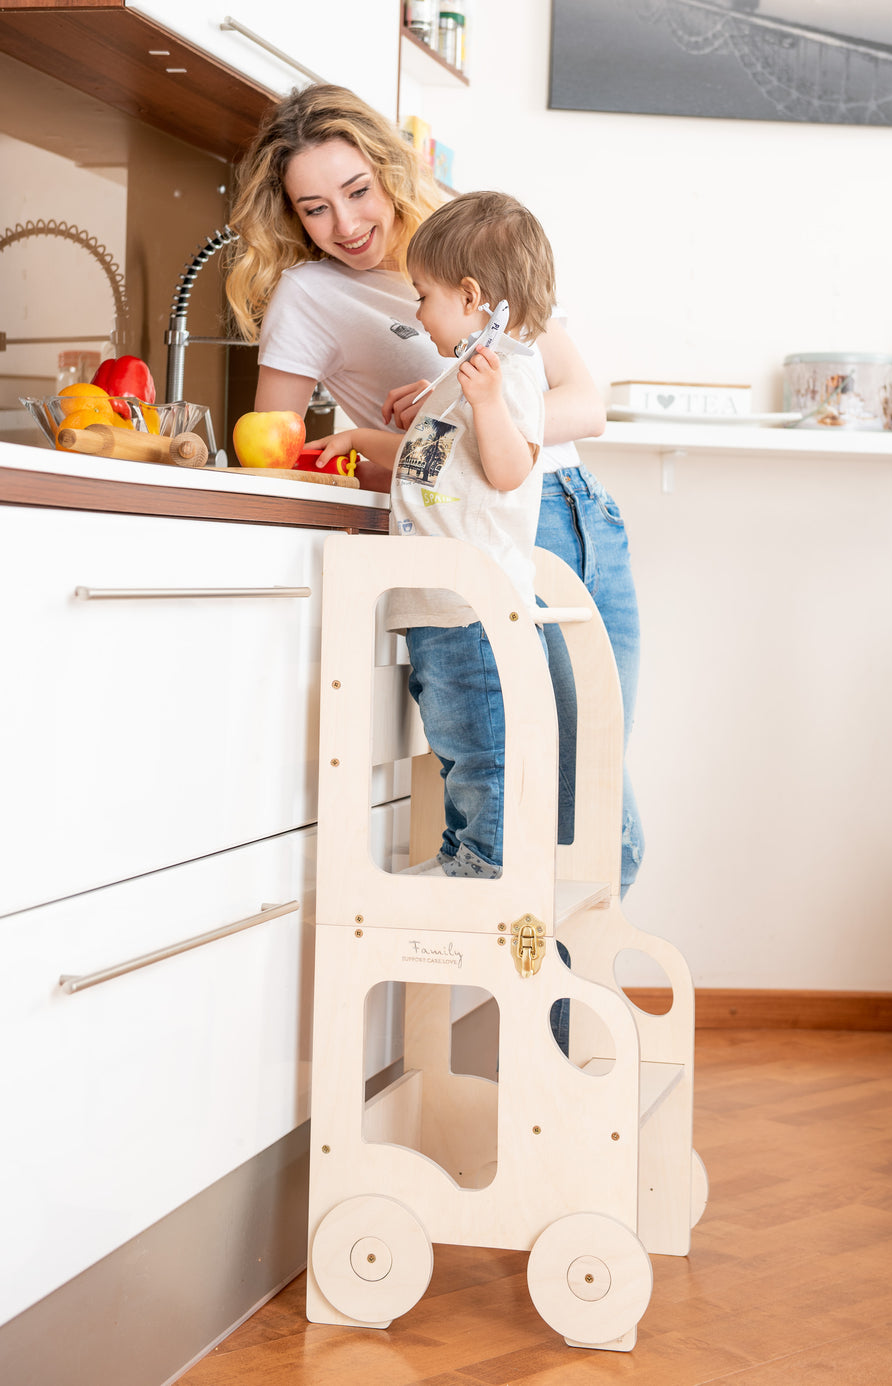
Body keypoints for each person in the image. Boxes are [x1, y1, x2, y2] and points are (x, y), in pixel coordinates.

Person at [226, 83, 644, 894]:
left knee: (596, 785)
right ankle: (556, 1016)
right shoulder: (309, 296)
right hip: (498, 534)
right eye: (313, 208)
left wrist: (458, 406)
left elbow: (585, 403)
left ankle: (565, 1012)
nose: (345, 224)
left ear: (388, 172)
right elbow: (276, 451)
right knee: (577, 818)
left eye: (356, 191)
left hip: (582, 515)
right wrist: (449, 425)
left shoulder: (460, 252)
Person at [312, 190, 550, 876]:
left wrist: (482, 399)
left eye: (423, 295)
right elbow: (438, 468)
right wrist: (370, 437)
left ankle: (488, 863)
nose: (417, 312)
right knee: (456, 743)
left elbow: (509, 472)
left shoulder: (509, 377)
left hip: (470, 610)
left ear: (471, 297)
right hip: (441, 609)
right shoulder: (464, 378)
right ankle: (465, 850)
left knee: (482, 750)